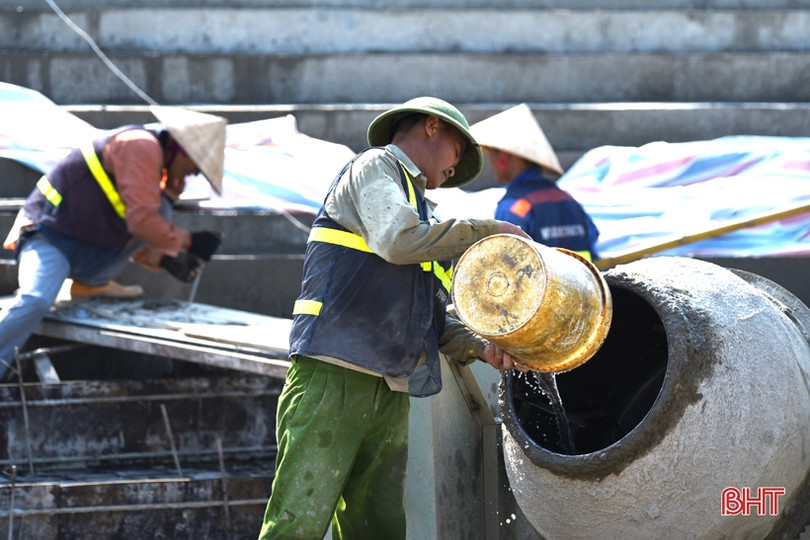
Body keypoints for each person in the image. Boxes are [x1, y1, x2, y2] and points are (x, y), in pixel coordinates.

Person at [257, 97, 530, 540]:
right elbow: (398, 242)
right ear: (430, 127)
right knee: (297, 522)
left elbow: (433, 319)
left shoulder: (422, 214)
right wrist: (488, 230)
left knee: (377, 526)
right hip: (334, 372)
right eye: (456, 154)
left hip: (390, 385)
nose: (451, 172)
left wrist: (483, 346)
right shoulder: (375, 168)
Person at [0, 106, 227, 376]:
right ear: (183, 150)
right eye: (195, 167)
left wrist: (165, 259)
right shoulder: (140, 146)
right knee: (35, 299)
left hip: (85, 249)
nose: (192, 175)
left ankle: (88, 285)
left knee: (162, 208)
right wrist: (189, 241)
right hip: (49, 235)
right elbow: (141, 222)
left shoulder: (153, 160)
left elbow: (131, 226)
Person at [470, 103, 600, 260]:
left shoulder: (513, 208)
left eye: (491, 155)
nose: (491, 165)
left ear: (504, 157)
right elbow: (592, 242)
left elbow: (504, 262)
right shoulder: (569, 201)